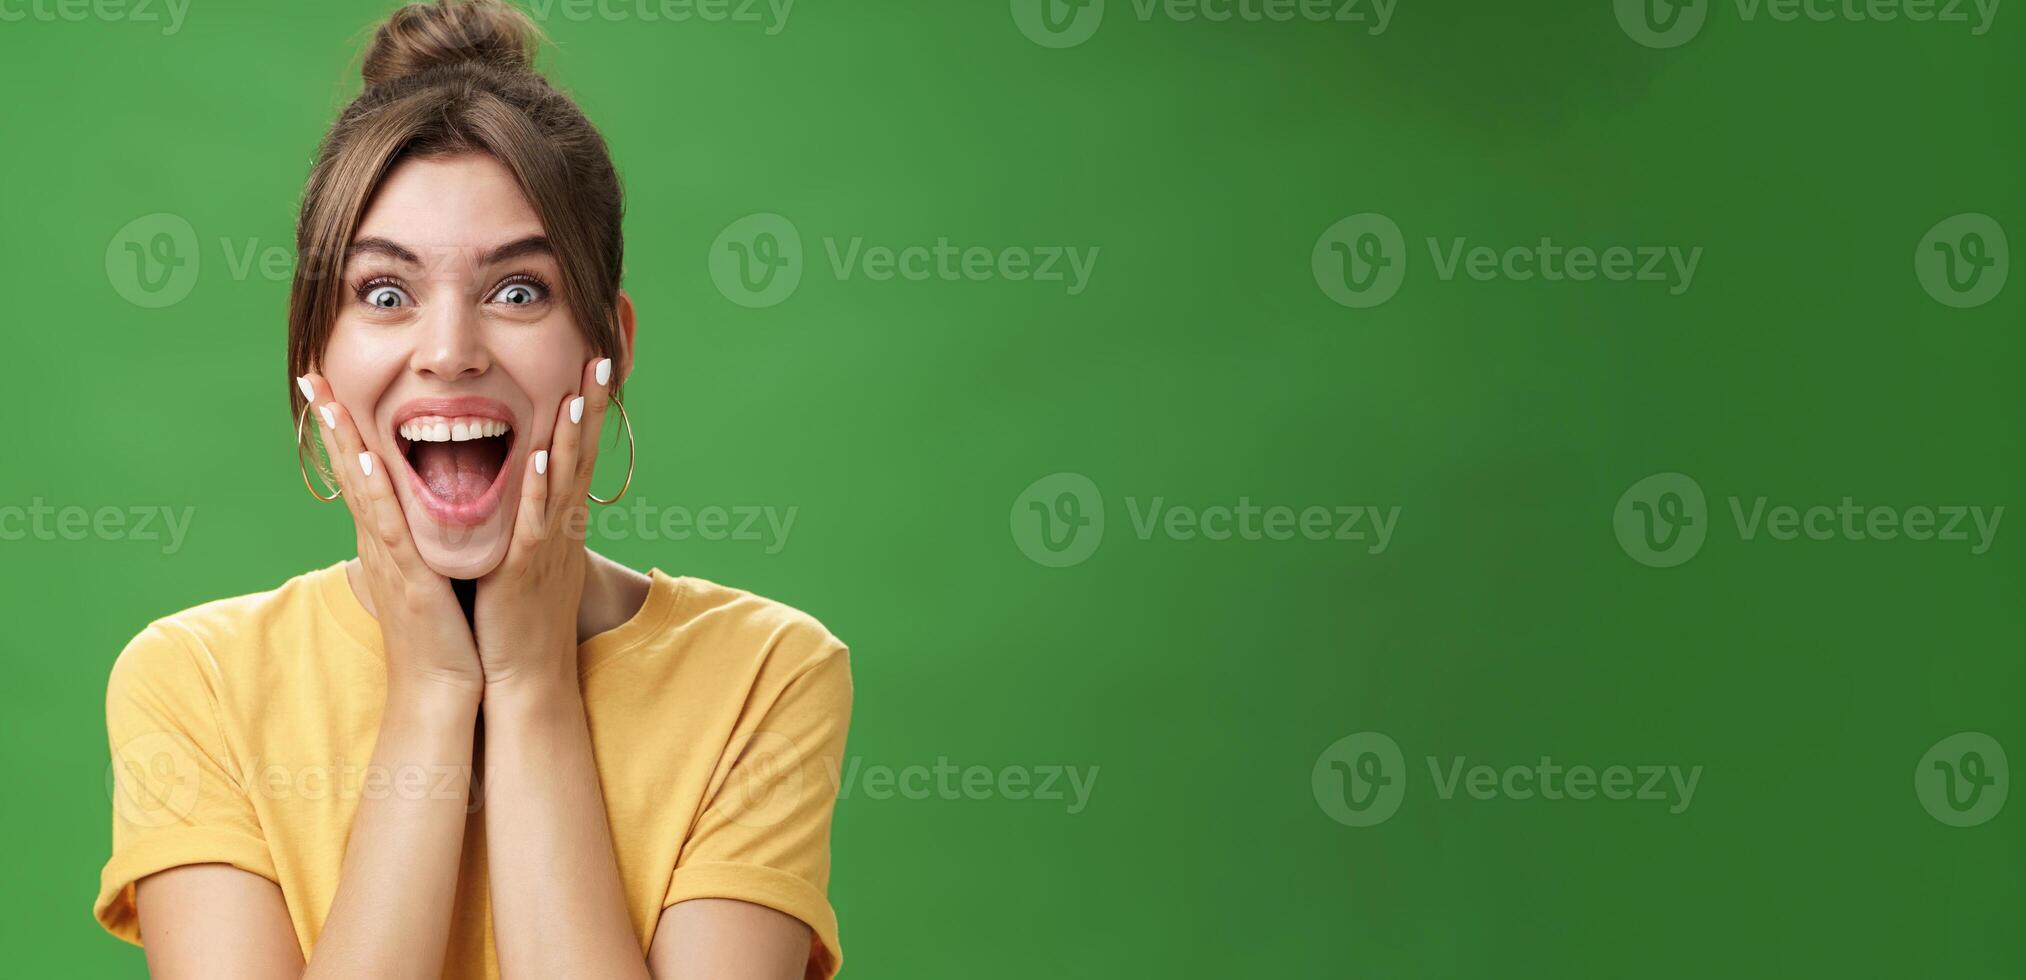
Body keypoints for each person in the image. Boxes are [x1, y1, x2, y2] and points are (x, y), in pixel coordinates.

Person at [93, 2, 851, 976]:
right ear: (315, 350)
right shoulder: (192, 680)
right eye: (384, 292)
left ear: (608, 344)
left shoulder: (762, 674)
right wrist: (434, 691)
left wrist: (532, 687)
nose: (449, 352)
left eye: (518, 289)